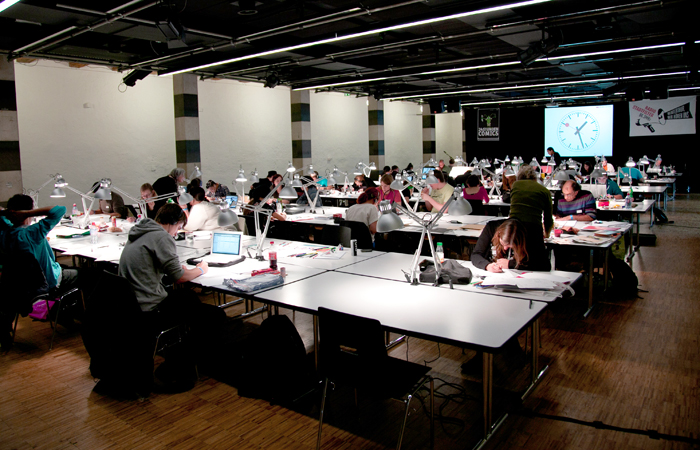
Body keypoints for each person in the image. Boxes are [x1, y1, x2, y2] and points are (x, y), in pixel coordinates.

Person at [118, 204, 225, 384]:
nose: (176, 233)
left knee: (188, 298)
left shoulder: (140, 232)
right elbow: (180, 278)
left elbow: (159, 268)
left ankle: (183, 353)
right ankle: (186, 360)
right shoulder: (161, 237)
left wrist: (179, 270)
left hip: (132, 304)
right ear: (173, 222)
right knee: (214, 315)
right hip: (150, 308)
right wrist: (201, 269)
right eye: (179, 227)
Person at [0, 195, 80, 293]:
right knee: (90, 274)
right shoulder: (32, 233)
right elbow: (60, 210)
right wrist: (27, 213)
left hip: (19, 284)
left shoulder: (5, 233)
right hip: (48, 282)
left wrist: (6, 212)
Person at [471, 219, 551, 272]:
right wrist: (487, 266)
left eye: (511, 246)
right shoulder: (491, 228)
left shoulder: (532, 233)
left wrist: (511, 264)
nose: (505, 248)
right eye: (503, 244)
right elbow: (476, 255)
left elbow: (544, 265)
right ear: (498, 235)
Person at [509, 166, 553, 258]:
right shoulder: (544, 191)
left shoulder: (515, 185)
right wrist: (547, 233)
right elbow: (548, 217)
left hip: (514, 228)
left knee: (518, 256)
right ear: (535, 177)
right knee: (537, 259)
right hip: (534, 229)